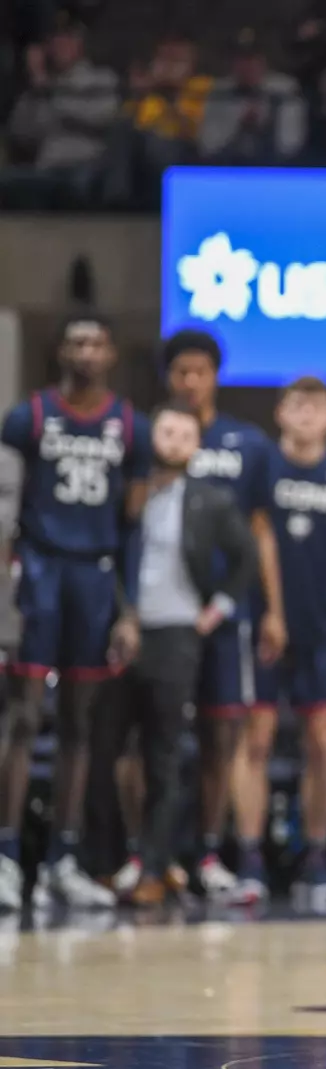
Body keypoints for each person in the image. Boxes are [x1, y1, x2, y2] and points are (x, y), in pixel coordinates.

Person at [0, 313, 150, 913]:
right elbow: (4, 509)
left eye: (96, 342)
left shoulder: (130, 426)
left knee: (78, 725)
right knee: (22, 717)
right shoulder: (28, 417)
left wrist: (129, 611)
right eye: (77, 341)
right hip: (38, 570)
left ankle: (62, 859)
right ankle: (7, 856)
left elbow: (133, 526)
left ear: (111, 354)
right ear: (61, 351)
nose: (86, 351)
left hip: (94, 577)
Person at [232, 376, 326, 908]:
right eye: (297, 404)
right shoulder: (261, 467)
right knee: (256, 739)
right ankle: (249, 860)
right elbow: (251, 537)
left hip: (320, 626)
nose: (307, 413)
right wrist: (269, 611)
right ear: (280, 413)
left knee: (321, 739)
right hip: (264, 626)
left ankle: (316, 860)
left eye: (317, 406)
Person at [115, 403, 255, 906]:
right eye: (166, 431)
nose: (173, 441)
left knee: (166, 750)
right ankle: (125, 855)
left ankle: (158, 863)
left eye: (184, 434)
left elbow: (246, 558)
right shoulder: (129, 494)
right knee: (120, 748)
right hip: (125, 630)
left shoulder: (209, 499)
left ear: (197, 446)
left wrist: (214, 611)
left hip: (178, 632)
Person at [164, 327, 284, 898]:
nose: (190, 381)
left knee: (222, 734)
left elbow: (261, 531)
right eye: (181, 372)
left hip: (227, 613)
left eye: (200, 372)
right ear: (168, 378)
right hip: (164, 612)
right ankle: (149, 854)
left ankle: (211, 852)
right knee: (152, 737)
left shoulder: (247, 444)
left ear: (215, 376)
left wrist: (274, 609)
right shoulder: (156, 435)